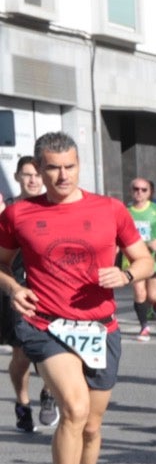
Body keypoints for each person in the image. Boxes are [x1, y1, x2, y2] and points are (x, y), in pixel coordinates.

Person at [0, 131, 154, 464]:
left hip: (100, 328)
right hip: (46, 325)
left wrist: (124, 273)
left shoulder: (110, 209)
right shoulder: (18, 214)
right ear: (38, 169)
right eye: (53, 167)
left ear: (79, 165)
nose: (62, 175)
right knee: (74, 407)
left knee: (91, 426)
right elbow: (0, 264)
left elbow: (145, 260)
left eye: (70, 166)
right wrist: (14, 288)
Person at [5, 157, 49, 433]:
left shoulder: (54, 209)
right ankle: (22, 403)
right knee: (21, 355)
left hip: (51, 290)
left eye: (36, 174)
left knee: (53, 351)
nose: (32, 180)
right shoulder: (7, 211)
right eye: (27, 174)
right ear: (17, 176)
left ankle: (49, 392)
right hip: (16, 289)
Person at [122, 177, 156, 342]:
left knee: (154, 296)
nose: (139, 193)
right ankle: (144, 327)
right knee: (139, 292)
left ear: (150, 192)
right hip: (133, 259)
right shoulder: (125, 212)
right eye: (136, 189)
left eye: (144, 190)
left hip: (155, 258)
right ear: (131, 191)